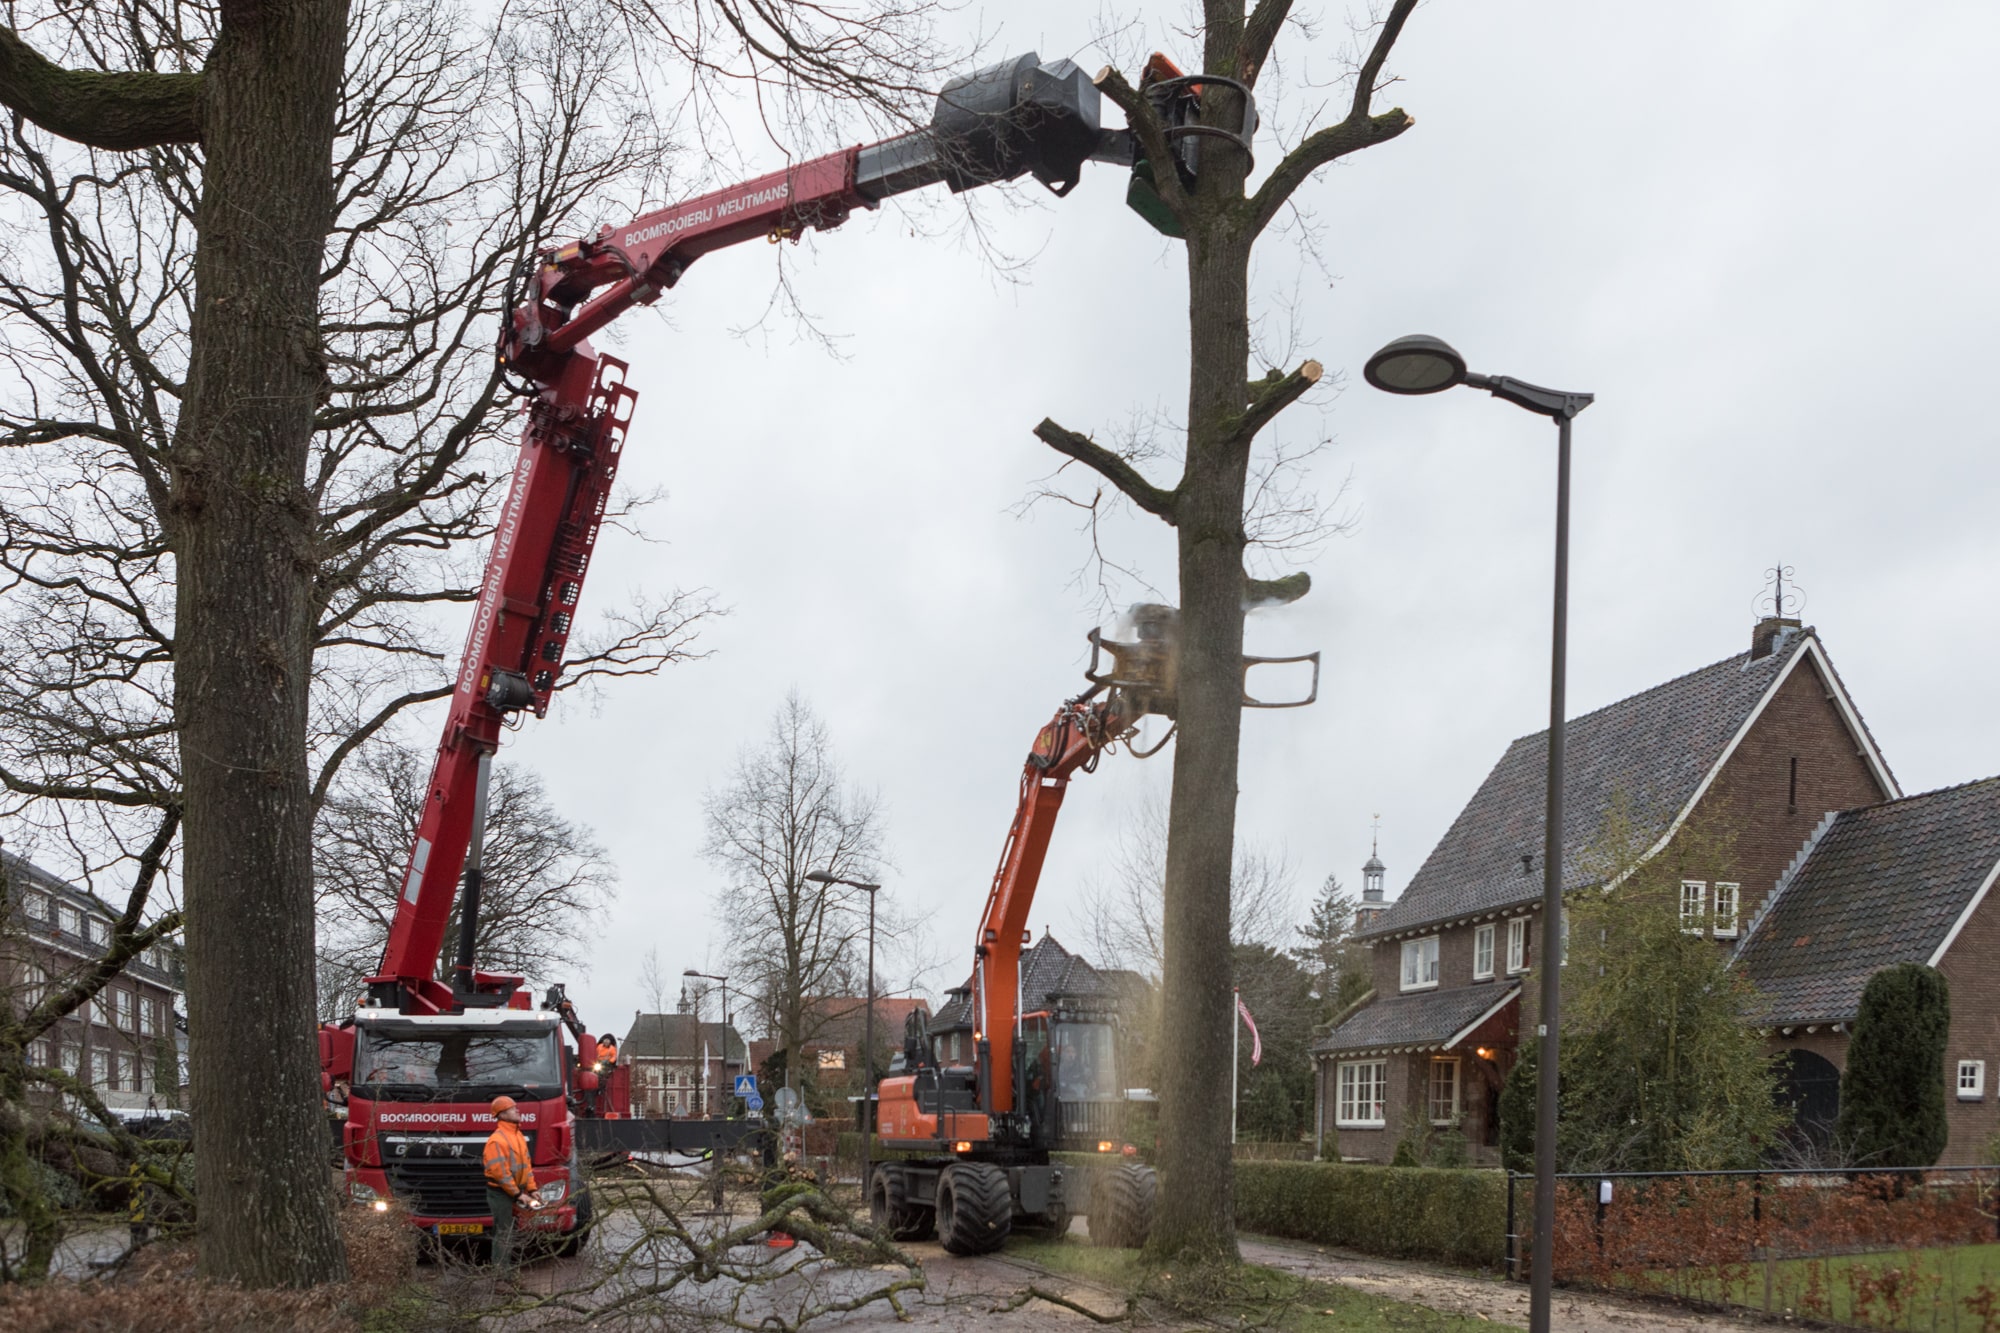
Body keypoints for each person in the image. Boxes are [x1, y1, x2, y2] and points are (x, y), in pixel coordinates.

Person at [482, 1095, 541, 1281]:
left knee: (510, 1233)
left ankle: (507, 1275)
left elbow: (526, 1166)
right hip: (501, 1194)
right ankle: (500, 1278)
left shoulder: (517, 1137)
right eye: (513, 1108)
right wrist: (518, 1194)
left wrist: (532, 1190)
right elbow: (501, 1174)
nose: (518, 1111)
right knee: (503, 1234)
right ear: (503, 1114)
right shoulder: (497, 1141)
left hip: (515, 1192)